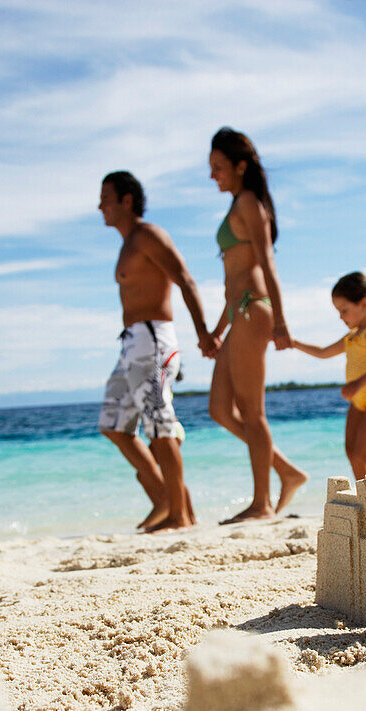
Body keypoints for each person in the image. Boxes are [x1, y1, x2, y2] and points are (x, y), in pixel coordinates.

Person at [97, 170, 217, 532]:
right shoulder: (126, 243)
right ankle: (165, 499)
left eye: (105, 197)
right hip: (131, 342)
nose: (100, 205)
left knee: (160, 427)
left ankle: (180, 515)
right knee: (113, 424)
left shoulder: (149, 235)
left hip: (154, 339)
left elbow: (185, 279)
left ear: (126, 200)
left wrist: (203, 334)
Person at [206, 127, 307, 523]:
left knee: (252, 411)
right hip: (238, 313)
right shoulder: (238, 203)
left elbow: (266, 265)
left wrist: (281, 320)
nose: (213, 175)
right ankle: (286, 471)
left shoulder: (249, 202)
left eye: (218, 167)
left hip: (254, 310)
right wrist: (218, 327)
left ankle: (262, 503)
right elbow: (235, 277)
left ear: (240, 166)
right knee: (219, 408)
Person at [290, 272, 366, 479]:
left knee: (364, 452)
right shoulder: (351, 337)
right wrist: (294, 343)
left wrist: (357, 384)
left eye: (344, 310)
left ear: (364, 304)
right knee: (352, 452)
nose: (341, 316)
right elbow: (322, 352)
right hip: (359, 400)